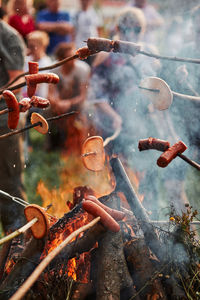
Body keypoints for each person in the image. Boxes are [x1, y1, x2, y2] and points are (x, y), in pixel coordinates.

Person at [0, 18, 26, 233]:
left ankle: (17, 243)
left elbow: (16, 81)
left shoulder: (8, 37)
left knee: (9, 185)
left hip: (4, 122)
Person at [46, 42, 91, 153]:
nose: (74, 60)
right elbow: (50, 94)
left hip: (77, 103)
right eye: (70, 57)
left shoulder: (83, 69)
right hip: (60, 102)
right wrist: (57, 103)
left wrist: (69, 103)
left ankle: (84, 146)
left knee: (87, 111)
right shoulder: (54, 70)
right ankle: (50, 146)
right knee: (47, 112)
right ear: (61, 59)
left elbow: (82, 96)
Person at [73, 0, 103, 64]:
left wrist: (100, 45)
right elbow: (73, 31)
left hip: (94, 47)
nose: (85, 2)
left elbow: (99, 28)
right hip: (80, 46)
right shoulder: (76, 14)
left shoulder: (95, 13)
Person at [25, 30, 52, 98]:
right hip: (25, 97)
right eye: (29, 46)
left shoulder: (46, 62)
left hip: (39, 98)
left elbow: (37, 84)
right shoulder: (27, 59)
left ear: (42, 46)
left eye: (33, 47)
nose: (30, 49)